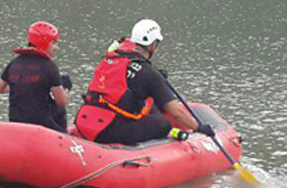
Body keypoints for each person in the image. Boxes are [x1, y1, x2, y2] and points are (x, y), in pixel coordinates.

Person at [74, 19, 215, 145]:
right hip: (110, 130)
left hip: (85, 120)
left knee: (150, 105)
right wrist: (199, 128)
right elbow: (176, 112)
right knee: (164, 124)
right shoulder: (149, 74)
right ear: (153, 45)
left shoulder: (114, 58)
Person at [0, 21, 73, 132]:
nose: (56, 48)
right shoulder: (49, 66)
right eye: (53, 43)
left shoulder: (15, 62)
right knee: (60, 110)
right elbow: (61, 101)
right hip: (40, 124)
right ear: (44, 42)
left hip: (16, 121)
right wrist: (66, 89)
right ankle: (63, 139)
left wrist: (25, 86)